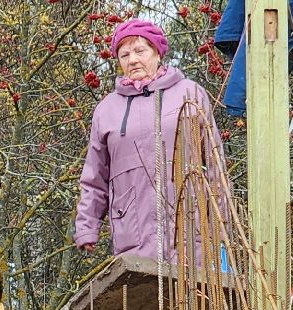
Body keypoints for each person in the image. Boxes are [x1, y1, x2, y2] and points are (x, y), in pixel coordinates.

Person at [73, 18, 230, 261]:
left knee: (191, 296)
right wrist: (86, 227)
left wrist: (222, 225)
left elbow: (215, 164)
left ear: (158, 53)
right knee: (142, 297)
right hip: (133, 236)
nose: (132, 59)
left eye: (139, 50)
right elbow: (94, 177)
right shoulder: (107, 110)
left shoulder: (190, 93)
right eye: (124, 55)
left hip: (190, 232)